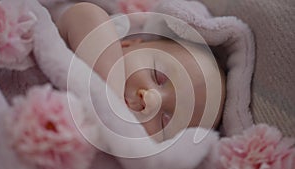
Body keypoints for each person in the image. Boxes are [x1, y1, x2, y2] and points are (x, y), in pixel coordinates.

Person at [57, 2, 226, 141]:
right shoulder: (93, 39)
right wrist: (110, 97)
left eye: (165, 121)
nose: (152, 101)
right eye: (158, 77)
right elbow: (86, 15)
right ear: (127, 45)